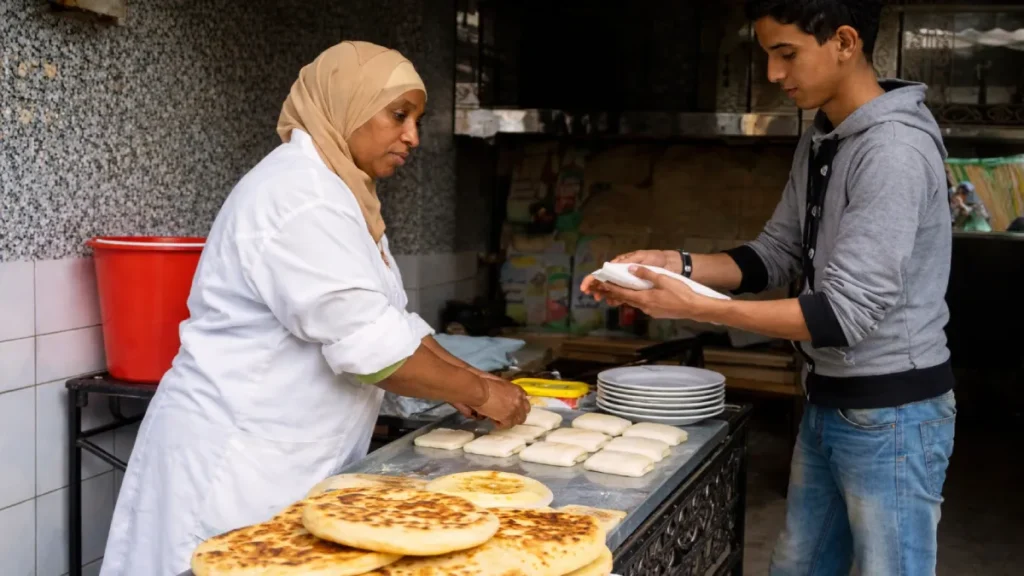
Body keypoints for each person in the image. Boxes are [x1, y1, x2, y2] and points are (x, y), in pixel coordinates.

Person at [99, 41, 530, 576]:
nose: (413, 136)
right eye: (399, 115)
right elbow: (375, 356)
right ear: (346, 104)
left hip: (294, 457)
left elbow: (390, 325)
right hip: (237, 465)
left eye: (418, 119)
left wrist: (475, 382)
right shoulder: (299, 197)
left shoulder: (345, 195)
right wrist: (484, 393)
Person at [582, 1, 956, 574]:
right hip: (829, 399)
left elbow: (841, 315)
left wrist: (702, 309)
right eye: (768, 57)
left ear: (845, 42)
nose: (775, 75)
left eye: (787, 55)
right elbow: (774, 255)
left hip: (893, 415)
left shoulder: (893, 151)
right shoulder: (825, 136)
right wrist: (676, 266)